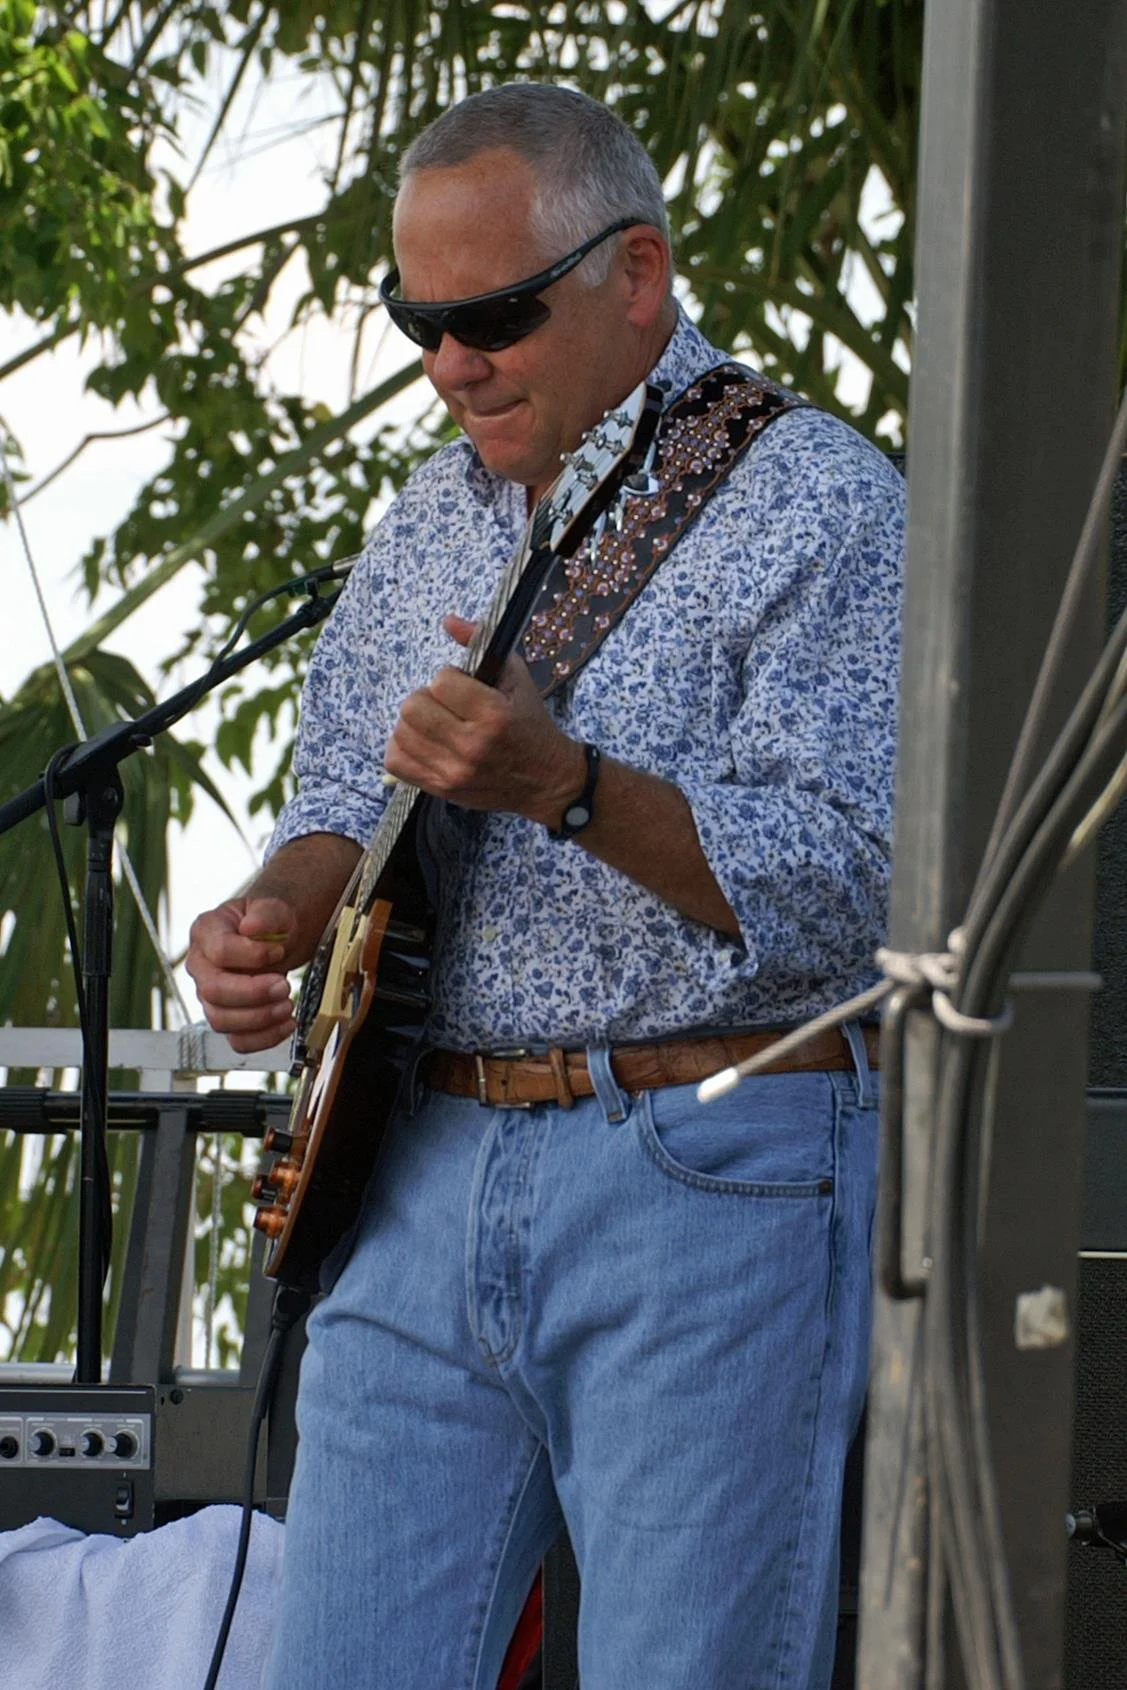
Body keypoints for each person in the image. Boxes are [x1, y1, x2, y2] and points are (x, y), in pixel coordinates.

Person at [186, 82, 904, 1690]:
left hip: (703, 1165)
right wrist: (272, 919)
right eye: (417, 320)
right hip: (417, 1158)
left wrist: (563, 784)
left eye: (492, 315)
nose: (449, 362)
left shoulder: (820, 500)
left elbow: (850, 886)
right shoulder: (425, 516)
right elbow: (333, 803)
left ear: (632, 274)